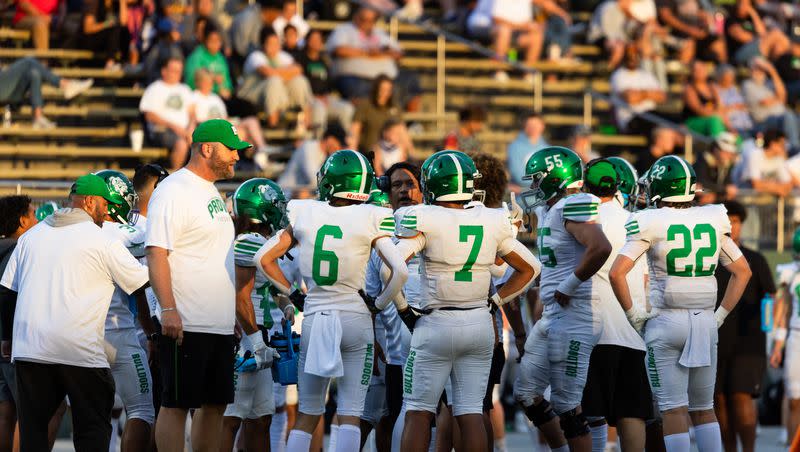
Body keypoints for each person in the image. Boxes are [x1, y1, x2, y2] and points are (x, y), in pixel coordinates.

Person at [256, 149, 409, 452]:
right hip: (355, 316)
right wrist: (377, 304)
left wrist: (294, 293)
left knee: (308, 412)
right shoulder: (372, 215)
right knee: (350, 413)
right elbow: (400, 271)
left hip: (317, 314)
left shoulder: (306, 211)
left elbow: (264, 259)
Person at [396, 151, 539, 452]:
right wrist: (496, 300)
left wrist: (402, 308)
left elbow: (392, 267)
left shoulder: (424, 218)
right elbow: (530, 268)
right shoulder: (490, 218)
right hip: (478, 322)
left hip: (436, 322)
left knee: (419, 410)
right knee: (471, 410)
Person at [609, 155, 752, 451]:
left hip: (667, 320)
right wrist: (720, 315)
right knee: (704, 408)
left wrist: (634, 315)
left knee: (673, 409)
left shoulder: (649, 220)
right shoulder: (712, 218)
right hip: (704, 320)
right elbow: (742, 271)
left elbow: (617, 272)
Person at [0, 173, 149, 451]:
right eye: (105, 205)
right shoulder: (101, 239)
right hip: (79, 351)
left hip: (30, 349)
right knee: (92, 429)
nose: (107, 213)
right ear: (91, 202)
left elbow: (9, 291)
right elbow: (140, 282)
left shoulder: (31, 236)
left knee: (33, 430)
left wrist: (7, 338)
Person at [146, 119, 249, 452]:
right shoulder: (174, 189)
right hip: (186, 321)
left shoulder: (209, 190)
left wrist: (229, 313)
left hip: (217, 322)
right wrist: (169, 309)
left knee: (215, 404)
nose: (236, 156)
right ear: (207, 148)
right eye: (230, 149)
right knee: (176, 404)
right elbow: (157, 252)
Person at [514, 146, 613, 452]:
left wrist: (568, 286)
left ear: (554, 177)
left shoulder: (574, 204)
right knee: (526, 391)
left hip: (575, 315)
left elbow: (601, 247)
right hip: (554, 315)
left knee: (567, 405)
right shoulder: (551, 209)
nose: (532, 187)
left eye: (536, 179)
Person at [579, 158, 654, 452]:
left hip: (588, 329)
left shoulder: (579, 218)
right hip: (630, 328)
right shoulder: (636, 221)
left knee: (580, 412)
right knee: (631, 412)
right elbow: (648, 281)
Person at [221, 178, 296, 452]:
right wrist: (255, 340)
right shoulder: (250, 241)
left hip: (257, 337)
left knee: (262, 417)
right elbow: (241, 295)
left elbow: (267, 283)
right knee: (231, 418)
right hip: (246, 339)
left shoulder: (259, 241)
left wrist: (285, 303)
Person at [91, 170, 155, 452]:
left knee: (92, 416)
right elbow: (143, 283)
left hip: (82, 336)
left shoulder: (77, 232)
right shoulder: (129, 232)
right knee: (142, 410)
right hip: (120, 334)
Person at [712, 200, 774, 452]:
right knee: (718, 400)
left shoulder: (755, 259)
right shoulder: (710, 258)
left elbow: (770, 298)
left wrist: (770, 335)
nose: (731, 226)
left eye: (736, 221)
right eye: (728, 220)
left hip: (749, 342)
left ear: (741, 224)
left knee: (741, 396)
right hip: (714, 338)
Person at [0, 196, 37, 452]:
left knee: (5, 412)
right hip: (11, 343)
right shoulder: (19, 252)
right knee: (27, 413)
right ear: (23, 221)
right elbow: (12, 295)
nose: (37, 221)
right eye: (33, 215)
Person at [239, 27, 313, 128]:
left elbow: (298, 70)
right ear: (263, 45)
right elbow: (267, 72)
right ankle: (273, 123)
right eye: (271, 44)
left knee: (300, 80)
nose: (274, 47)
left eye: (277, 43)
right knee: (274, 81)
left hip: (280, 93)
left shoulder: (283, 56)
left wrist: (278, 73)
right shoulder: (255, 56)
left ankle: (306, 122)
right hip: (252, 95)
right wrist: (286, 73)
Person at [326, 7, 403, 100]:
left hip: (383, 79)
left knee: (406, 84)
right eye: (363, 19)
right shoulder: (344, 30)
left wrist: (380, 53)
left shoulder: (380, 33)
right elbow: (339, 50)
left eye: (371, 20)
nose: (367, 22)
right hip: (354, 78)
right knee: (360, 91)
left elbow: (398, 53)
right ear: (356, 17)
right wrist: (367, 53)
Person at [0, 57, 93, 129]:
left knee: (34, 73)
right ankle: (65, 84)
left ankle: (37, 117)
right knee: (28, 61)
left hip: (9, 93)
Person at [139, 56, 194, 170]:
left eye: (179, 71)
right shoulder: (155, 88)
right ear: (164, 71)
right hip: (162, 130)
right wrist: (176, 128)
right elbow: (149, 115)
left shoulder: (185, 89)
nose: (177, 74)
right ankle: (175, 177)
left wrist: (190, 129)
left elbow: (192, 114)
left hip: (185, 131)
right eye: (174, 70)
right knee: (182, 144)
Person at [297, 29, 355, 133]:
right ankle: (319, 141)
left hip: (326, 97)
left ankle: (346, 142)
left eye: (318, 39)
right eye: (313, 39)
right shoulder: (300, 59)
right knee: (319, 109)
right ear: (307, 41)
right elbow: (299, 84)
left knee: (347, 108)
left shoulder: (324, 60)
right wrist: (315, 96)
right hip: (309, 99)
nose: (316, 42)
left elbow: (329, 83)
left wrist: (326, 96)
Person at [773, 228, 800, 443]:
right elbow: (783, 309)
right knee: (793, 399)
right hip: (796, 337)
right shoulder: (790, 272)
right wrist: (778, 344)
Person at [742, 58, 800, 152]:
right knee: (788, 116)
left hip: (782, 118)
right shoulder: (748, 85)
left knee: (793, 117)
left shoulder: (769, 83)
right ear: (750, 70)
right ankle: (795, 149)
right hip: (764, 122)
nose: (758, 71)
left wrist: (773, 72)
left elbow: (783, 96)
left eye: (761, 69)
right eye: (756, 68)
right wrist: (778, 97)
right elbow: (765, 102)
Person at [610, 45, 666, 135]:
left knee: (670, 121)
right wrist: (649, 93)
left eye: (635, 55)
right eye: (629, 55)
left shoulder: (646, 75)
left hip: (651, 115)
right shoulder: (618, 75)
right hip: (630, 119)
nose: (632, 58)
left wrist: (640, 94)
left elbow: (662, 97)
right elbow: (631, 99)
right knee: (656, 124)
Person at [351, 75, 410, 156]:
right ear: (376, 89)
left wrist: (410, 153)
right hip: (368, 153)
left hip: (390, 154)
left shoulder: (395, 107)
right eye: (382, 89)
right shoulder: (365, 105)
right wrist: (353, 152)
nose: (385, 93)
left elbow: (402, 131)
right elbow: (355, 131)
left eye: (388, 90)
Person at [278, 123, 346, 192]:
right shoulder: (308, 147)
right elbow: (315, 179)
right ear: (330, 139)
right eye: (339, 144)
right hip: (286, 192)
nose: (339, 148)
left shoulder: (327, 156)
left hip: (304, 194)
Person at [655, 0, 726, 63]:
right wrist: (690, 30)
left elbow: (700, 12)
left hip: (698, 31)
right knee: (689, 44)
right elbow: (665, 16)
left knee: (718, 43)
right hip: (677, 32)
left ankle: (723, 71)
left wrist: (704, 17)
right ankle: (683, 75)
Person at [491, 0, 544, 82]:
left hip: (518, 36)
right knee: (504, 32)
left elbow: (531, 21)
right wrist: (519, 26)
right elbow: (496, 19)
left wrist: (534, 26)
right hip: (502, 34)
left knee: (537, 36)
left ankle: (528, 74)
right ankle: (499, 71)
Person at [725, 0, 790, 66]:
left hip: (756, 49)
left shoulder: (750, 18)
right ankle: (781, 63)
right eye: (740, 3)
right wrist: (761, 38)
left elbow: (762, 32)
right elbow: (742, 37)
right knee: (775, 34)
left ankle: (779, 67)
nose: (742, 6)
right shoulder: (732, 19)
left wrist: (753, 13)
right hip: (739, 54)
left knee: (778, 46)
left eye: (746, 4)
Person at [734, 128, 792, 197]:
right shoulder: (754, 154)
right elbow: (756, 184)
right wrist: (777, 188)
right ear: (773, 144)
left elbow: (788, 184)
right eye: (782, 144)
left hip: (762, 198)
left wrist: (771, 187)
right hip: (743, 196)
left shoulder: (779, 159)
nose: (784, 148)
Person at [184, 24, 233, 97]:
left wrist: (227, 91)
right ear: (205, 40)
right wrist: (212, 78)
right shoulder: (196, 57)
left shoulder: (220, 57)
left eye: (218, 40)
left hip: (220, 96)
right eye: (212, 41)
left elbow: (227, 81)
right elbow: (191, 81)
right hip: (202, 96)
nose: (216, 44)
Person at [80, 0, 132, 69]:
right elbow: (88, 29)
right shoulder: (95, 3)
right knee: (113, 28)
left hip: (107, 42)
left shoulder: (116, 4)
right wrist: (107, 24)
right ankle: (110, 63)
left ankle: (124, 63)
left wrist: (122, 2)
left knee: (124, 31)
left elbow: (123, 23)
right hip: (89, 40)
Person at [683, 60, 727, 139]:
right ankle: (718, 147)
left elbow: (721, 107)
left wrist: (730, 127)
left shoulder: (712, 87)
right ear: (692, 72)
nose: (700, 72)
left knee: (734, 134)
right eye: (697, 70)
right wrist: (715, 114)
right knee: (714, 122)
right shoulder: (689, 88)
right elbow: (699, 110)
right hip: (694, 121)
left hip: (713, 117)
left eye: (702, 69)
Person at [507, 112, 548, 191]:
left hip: (542, 196)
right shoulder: (514, 147)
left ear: (543, 126)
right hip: (521, 198)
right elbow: (519, 177)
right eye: (530, 125)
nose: (533, 128)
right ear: (524, 126)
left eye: (536, 125)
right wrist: (542, 183)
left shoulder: (547, 149)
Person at [694, 132, 740, 204]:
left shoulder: (726, 166)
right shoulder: (702, 161)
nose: (728, 155)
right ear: (716, 149)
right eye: (725, 152)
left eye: (730, 153)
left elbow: (729, 185)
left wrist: (718, 193)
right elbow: (700, 186)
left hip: (716, 201)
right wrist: (724, 189)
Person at [714, 64, 754, 136]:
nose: (730, 79)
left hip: (746, 124)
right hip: (732, 126)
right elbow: (719, 111)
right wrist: (734, 107)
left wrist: (743, 106)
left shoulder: (733, 88)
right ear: (720, 77)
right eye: (727, 77)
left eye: (731, 77)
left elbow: (743, 104)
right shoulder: (715, 90)